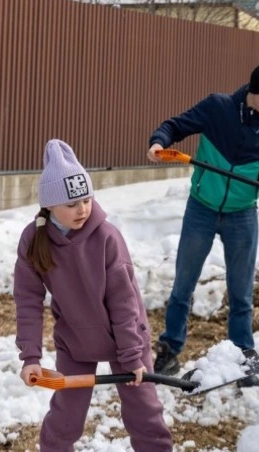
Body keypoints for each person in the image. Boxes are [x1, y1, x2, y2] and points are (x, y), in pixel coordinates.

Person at [14, 139, 173, 452]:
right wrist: (30, 357)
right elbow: (28, 301)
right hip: (75, 340)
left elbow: (124, 301)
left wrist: (131, 356)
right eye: (72, 204)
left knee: (144, 412)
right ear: (49, 205)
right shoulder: (34, 240)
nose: (82, 209)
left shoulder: (106, 237)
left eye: (86, 199)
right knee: (66, 416)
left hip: (127, 339)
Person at [146, 61, 259, 385]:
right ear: (255, 91)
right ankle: (169, 348)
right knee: (184, 282)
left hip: (242, 215)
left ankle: (242, 356)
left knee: (241, 292)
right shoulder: (217, 108)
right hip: (202, 209)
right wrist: (159, 141)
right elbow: (176, 125)